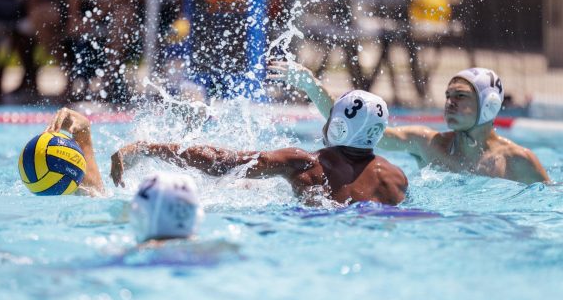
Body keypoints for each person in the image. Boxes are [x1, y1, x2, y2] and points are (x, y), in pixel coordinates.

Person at [268, 61, 550, 185]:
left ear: (489, 105)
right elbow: (354, 124)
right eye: (448, 95)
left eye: (461, 96)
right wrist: (311, 85)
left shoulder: (519, 161)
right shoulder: (427, 143)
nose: (449, 102)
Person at [110, 90, 408, 206]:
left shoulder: (307, 163)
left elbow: (222, 163)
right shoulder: (395, 178)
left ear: (339, 126)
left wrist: (148, 147)